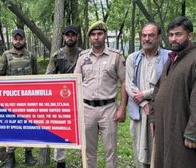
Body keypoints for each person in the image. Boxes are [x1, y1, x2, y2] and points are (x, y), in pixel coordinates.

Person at [74, 21, 128, 168]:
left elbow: (124, 82)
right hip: (87, 109)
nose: (96, 37)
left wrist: (122, 108)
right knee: (88, 150)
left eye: (99, 34)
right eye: (93, 34)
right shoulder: (83, 57)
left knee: (110, 149)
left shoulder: (116, 56)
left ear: (105, 35)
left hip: (108, 109)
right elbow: (76, 83)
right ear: (90, 37)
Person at [149, 16, 196, 168]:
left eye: (178, 34)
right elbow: (158, 88)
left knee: (181, 161)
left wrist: (192, 132)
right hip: (164, 124)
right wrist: (153, 116)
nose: (173, 39)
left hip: (182, 127)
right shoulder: (172, 58)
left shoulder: (193, 59)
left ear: (190, 36)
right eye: (171, 35)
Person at [125, 23, 169, 168]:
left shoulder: (169, 57)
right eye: (144, 35)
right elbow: (129, 86)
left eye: (151, 35)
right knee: (140, 151)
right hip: (139, 112)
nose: (147, 39)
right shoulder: (133, 58)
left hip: (161, 112)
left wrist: (145, 94)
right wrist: (145, 104)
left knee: (160, 151)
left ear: (159, 37)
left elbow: (167, 85)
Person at [0, 29, 38, 168]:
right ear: (12, 40)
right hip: (10, 99)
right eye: (16, 39)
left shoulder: (31, 55)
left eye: (21, 39)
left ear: (24, 40)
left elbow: (36, 77)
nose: (18, 41)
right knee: (10, 127)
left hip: (28, 98)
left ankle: (28, 153)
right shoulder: (6, 55)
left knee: (28, 126)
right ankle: (10, 157)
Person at [46, 25, 82, 168]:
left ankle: (84, 158)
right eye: (67, 35)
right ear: (63, 37)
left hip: (81, 98)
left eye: (73, 35)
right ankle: (60, 161)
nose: (70, 38)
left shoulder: (84, 55)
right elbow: (48, 77)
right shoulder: (57, 55)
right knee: (60, 130)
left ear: (77, 37)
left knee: (82, 131)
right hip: (62, 99)